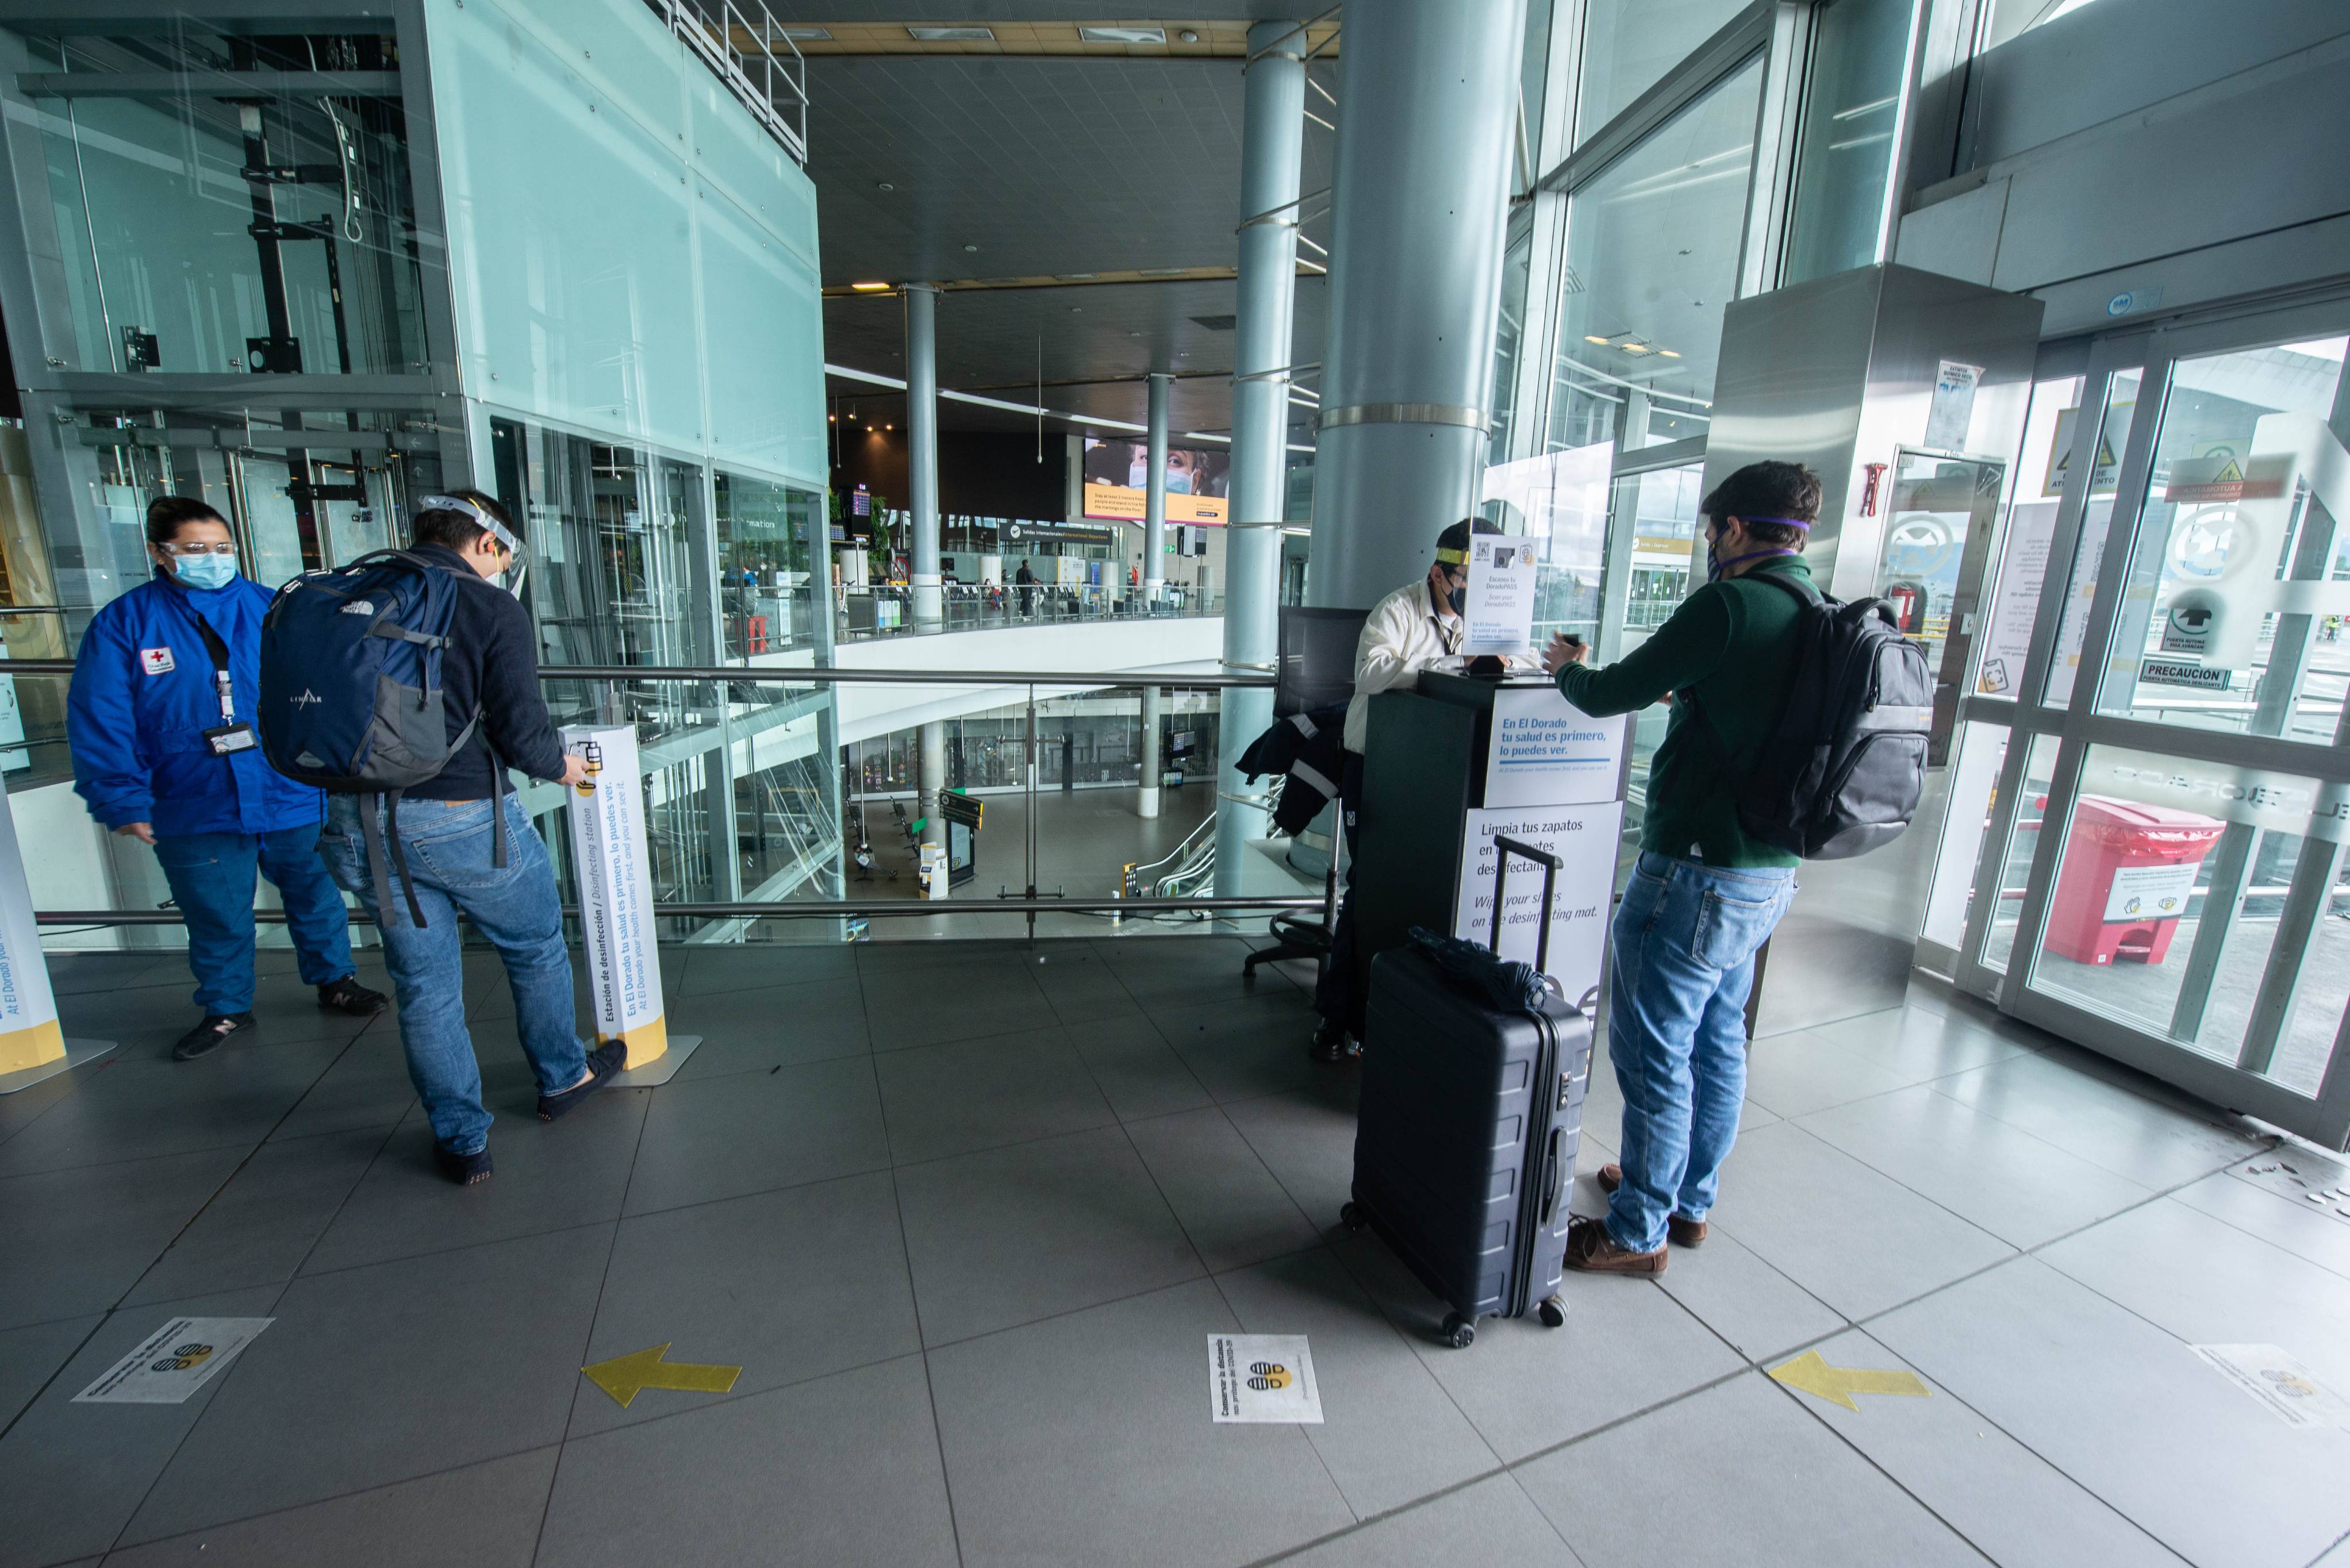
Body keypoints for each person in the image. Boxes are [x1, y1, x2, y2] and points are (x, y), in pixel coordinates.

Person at [1541, 460, 1818, 1275]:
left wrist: (1565, 666)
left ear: (1733, 528)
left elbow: (1608, 692)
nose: (1709, 545)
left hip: (1695, 868)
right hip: (1768, 870)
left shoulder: (1731, 602)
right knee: (1720, 1039)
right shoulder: (1813, 610)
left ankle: (1636, 1231)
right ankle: (1688, 1203)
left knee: (1654, 1048)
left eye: (1710, 531)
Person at [313, 490, 609, 1186]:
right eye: (505, 555)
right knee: (534, 946)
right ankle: (562, 1078)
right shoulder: (488, 607)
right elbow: (521, 730)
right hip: (460, 817)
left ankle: (462, 1141)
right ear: (486, 544)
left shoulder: (352, 590)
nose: (504, 568)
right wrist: (563, 767)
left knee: (424, 989)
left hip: (358, 822)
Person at [67, 497, 386, 1060]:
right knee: (215, 910)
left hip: (287, 787)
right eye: (194, 549)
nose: (211, 559)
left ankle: (334, 978)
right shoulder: (125, 624)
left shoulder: (273, 609)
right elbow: (101, 716)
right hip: (191, 795)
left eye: (221, 548)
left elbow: (326, 693)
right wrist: (121, 797)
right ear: (158, 552)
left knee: (315, 891)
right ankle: (225, 1007)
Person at [1308, 516, 1503, 1063]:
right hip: (1375, 766)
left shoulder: (1484, 623)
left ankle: (1405, 1015)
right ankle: (1336, 1014)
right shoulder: (1398, 610)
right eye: (1467, 578)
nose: (1473, 591)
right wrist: (1444, 668)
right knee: (1369, 885)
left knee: (1421, 887)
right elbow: (1372, 671)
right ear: (1440, 573)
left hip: (1435, 776)